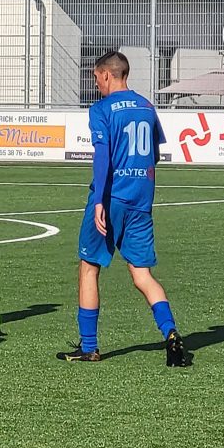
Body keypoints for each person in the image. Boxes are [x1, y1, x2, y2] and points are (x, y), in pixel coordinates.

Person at [57, 51, 188, 366]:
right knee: (142, 273)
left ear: (106, 74)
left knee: (89, 266)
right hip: (141, 198)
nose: (97, 84)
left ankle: (89, 346)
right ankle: (170, 332)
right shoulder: (146, 106)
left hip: (111, 196)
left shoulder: (102, 109)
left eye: (97, 78)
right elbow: (153, 154)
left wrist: (100, 198)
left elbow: (102, 156)